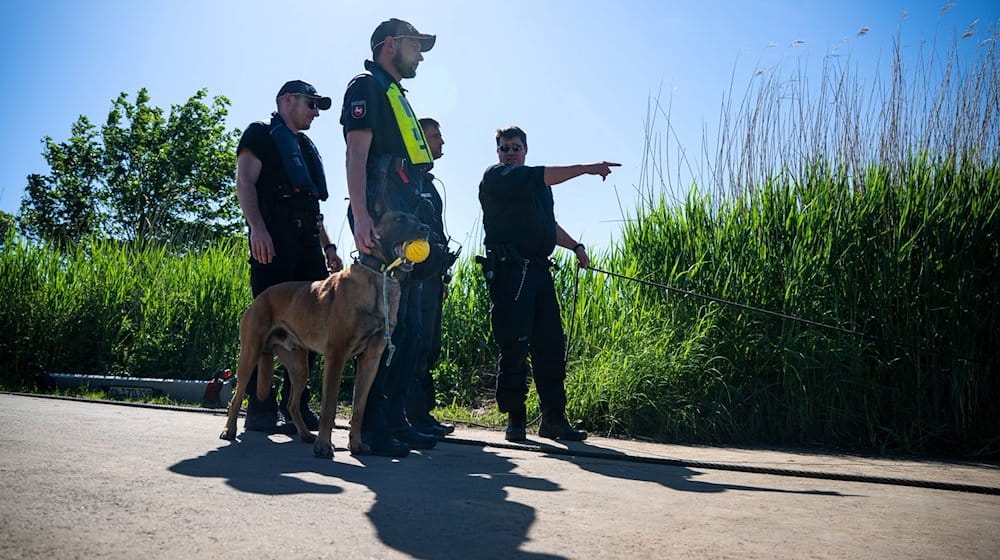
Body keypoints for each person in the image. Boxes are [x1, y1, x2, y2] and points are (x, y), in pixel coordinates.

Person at [477, 126, 620, 442]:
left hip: (539, 272)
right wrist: (586, 169)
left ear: (526, 149)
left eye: (516, 147)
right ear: (498, 152)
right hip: (511, 272)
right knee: (515, 344)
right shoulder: (497, 177)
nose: (510, 153)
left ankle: (554, 420)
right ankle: (516, 421)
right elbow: (541, 176)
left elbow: (548, 225)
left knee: (551, 346)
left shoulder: (540, 188)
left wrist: (576, 247)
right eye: (504, 148)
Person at [340, 18, 441, 457]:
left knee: (412, 330)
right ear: (389, 45)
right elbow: (356, 154)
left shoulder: (397, 93)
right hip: (382, 225)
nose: (420, 54)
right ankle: (371, 426)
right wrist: (361, 216)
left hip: (407, 223)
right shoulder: (366, 87)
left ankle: (395, 418)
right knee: (386, 328)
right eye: (415, 45)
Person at [235, 79, 343, 433]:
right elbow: (245, 182)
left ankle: (294, 404)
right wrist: (258, 229)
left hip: (308, 247)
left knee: (311, 326)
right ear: (287, 101)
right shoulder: (260, 134)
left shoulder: (306, 147)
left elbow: (314, 207)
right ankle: (260, 407)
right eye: (310, 104)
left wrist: (328, 248)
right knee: (266, 329)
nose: (315, 112)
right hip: (274, 243)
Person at [405, 117, 458, 438]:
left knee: (430, 344)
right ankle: (414, 416)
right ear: (420, 140)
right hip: (414, 277)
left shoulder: (429, 183)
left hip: (433, 276)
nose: (442, 142)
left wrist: (444, 276)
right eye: (436, 136)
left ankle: (422, 413)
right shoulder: (408, 180)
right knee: (418, 342)